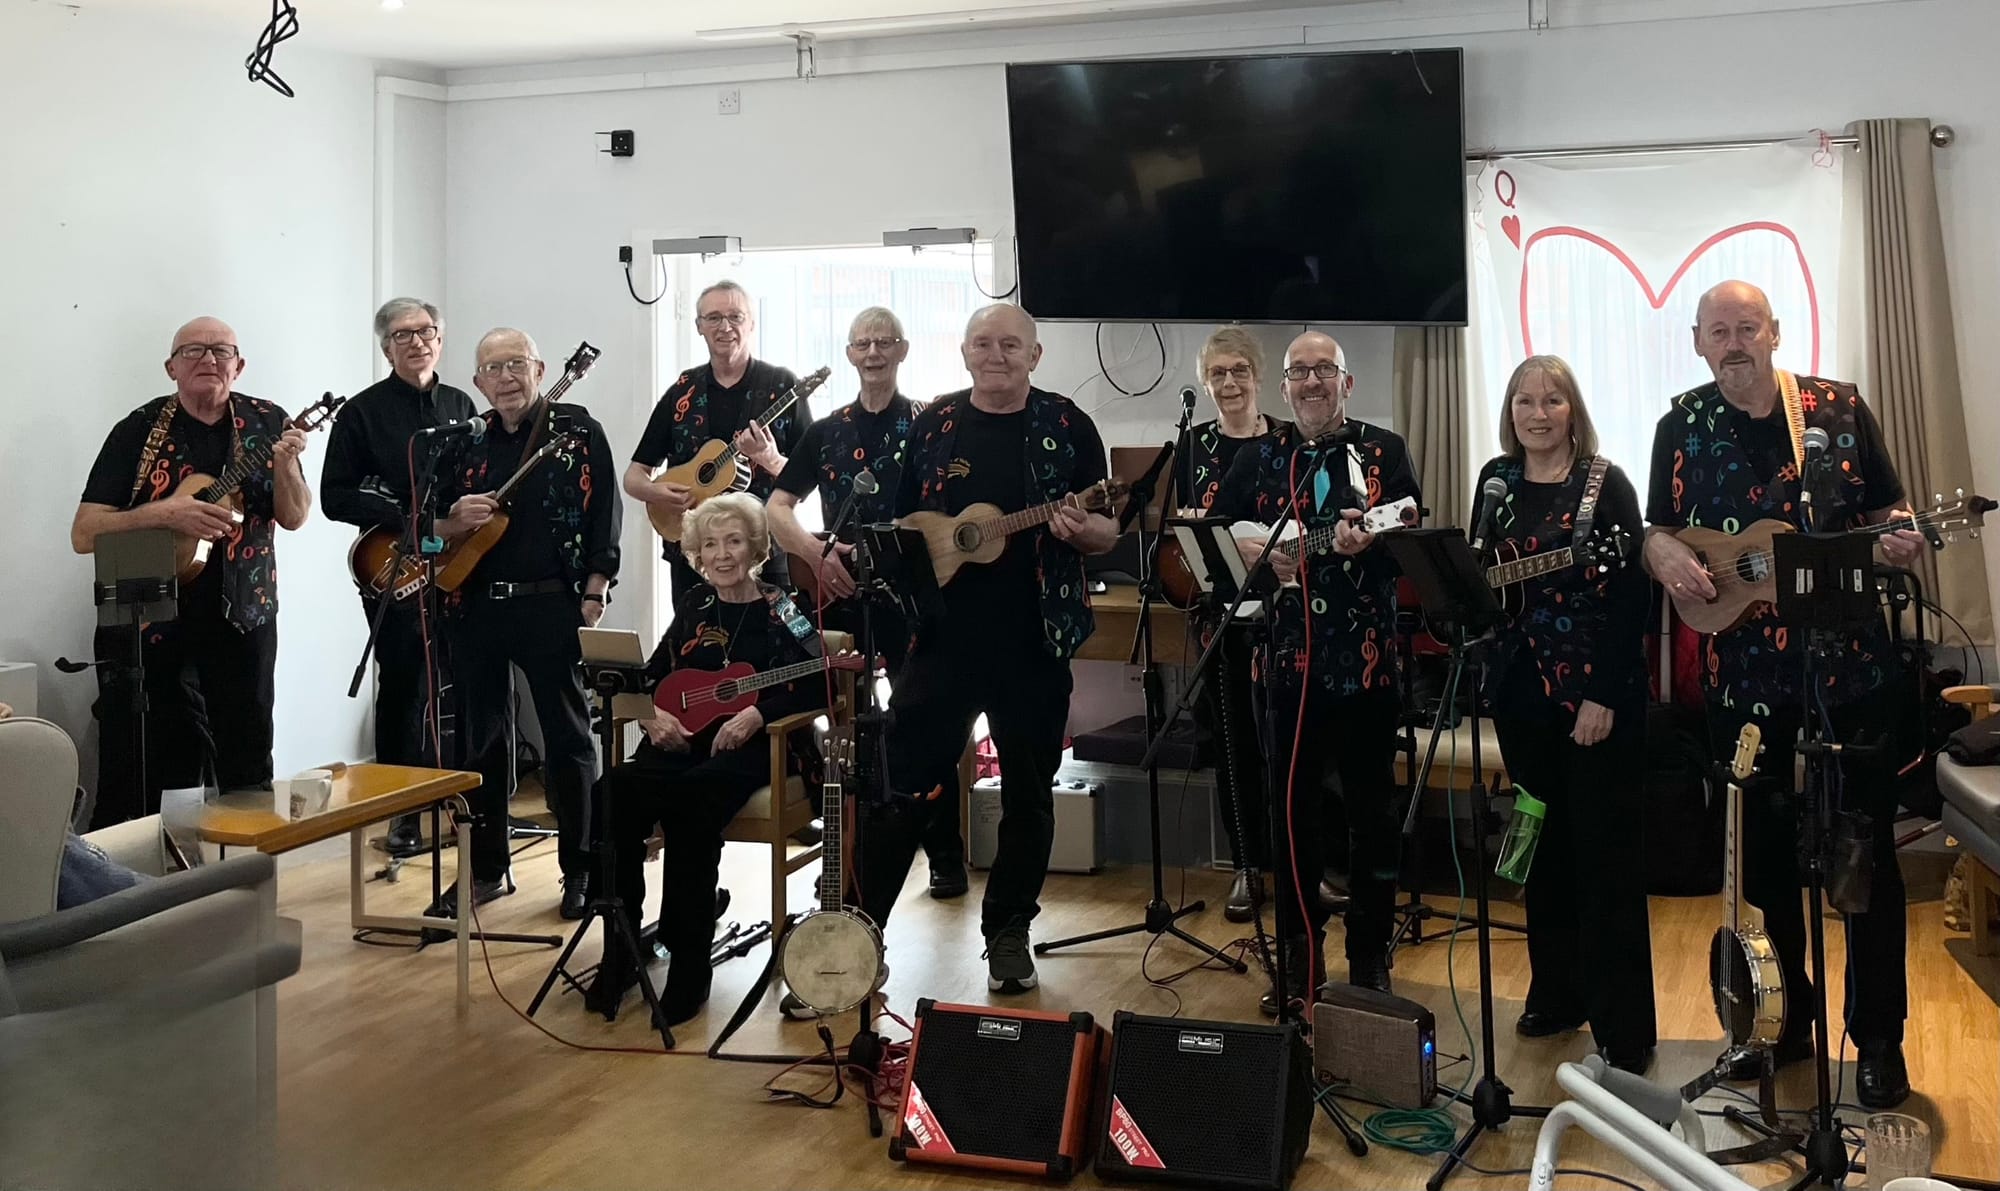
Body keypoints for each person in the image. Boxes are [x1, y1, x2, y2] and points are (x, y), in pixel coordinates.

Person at [1643, 280, 1924, 1108]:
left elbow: (1891, 504)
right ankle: (1787, 1020)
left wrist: (1903, 532)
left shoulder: (1836, 409)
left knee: (1864, 861)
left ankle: (1877, 1040)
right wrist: (1661, 555)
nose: (1735, 342)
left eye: (1748, 327)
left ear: (1776, 332)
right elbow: (1657, 526)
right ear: (1699, 342)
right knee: (1764, 867)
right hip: (1745, 691)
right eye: (1718, 330)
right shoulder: (1678, 425)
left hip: (1850, 680)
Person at [860, 304, 1118, 995]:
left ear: (1033, 356)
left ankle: (1007, 931)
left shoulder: (1067, 425)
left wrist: (1080, 530)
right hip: (941, 640)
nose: (996, 354)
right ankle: (859, 936)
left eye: (1011, 344)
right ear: (964, 351)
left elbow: (1107, 531)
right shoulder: (933, 424)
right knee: (900, 787)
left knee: (1030, 797)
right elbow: (905, 524)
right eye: (983, 342)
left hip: (1034, 642)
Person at [1211, 331, 1420, 1014]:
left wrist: (1373, 539)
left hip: (1368, 667)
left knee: (1372, 816)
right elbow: (1219, 536)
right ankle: (1300, 962)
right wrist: (1255, 550)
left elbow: (1413, 541)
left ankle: (1368, 960)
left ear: (1346, 383)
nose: (1311, 382)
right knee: (1289, 819)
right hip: (1286, 670)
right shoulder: (1259, 456)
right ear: (1286, 387)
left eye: (1324, 370)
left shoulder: (1385, 451)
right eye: (1299, 371)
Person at [585, 494, 830, 1026]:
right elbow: (649, 674)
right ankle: (622, 948)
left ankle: (689, 966)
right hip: (683, 740)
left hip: (759, 748)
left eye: (734, 541)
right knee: (611, 794)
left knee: (692, 802)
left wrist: (757, 715)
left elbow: (824, 680)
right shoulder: (695, 604)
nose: (722, 554)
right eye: (710, 544)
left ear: (755, 547)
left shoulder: (782, 605)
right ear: (696, 553)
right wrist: (651, 717)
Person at [1477, 355, 1656, 1074]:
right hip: (1520, 696)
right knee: (1540, 849)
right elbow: (1483, 581)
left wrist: (1603, 695)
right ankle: (1557, 992)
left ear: (1572, 410)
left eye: (1552, 400)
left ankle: (1624, 1028)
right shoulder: (1496, 481)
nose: (1538, 412)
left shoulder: (1604, 485)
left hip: (1593, 698)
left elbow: (1632, 599)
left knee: (1604, 861)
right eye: (1525, 400)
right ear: (1510, 411)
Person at [72, 317, 311, 827]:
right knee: (152, 761)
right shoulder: (139, 429)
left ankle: (244, 882)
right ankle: (145, 883)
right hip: (148, 619)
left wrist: (287, 465)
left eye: (222, 351)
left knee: (246, 759)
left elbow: (293, 517)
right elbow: (84, 532)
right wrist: (165, 512)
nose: (209, 360)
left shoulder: (268, 422)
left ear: (239, 365)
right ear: (172, 367)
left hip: (243, 614)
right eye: (195, 351)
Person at [766, 306, 967, 900]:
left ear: (903, 350)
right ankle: (844, 851)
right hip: (841, 590)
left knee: (921, 722)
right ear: (850, 354)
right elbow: (778, 506)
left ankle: (944, 855)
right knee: (827, 711)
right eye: (863, 344)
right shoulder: (824, 430)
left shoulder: (934, 424)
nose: (874, 352)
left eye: (885, 342)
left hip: (913, 594)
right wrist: (815, 553)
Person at [428, 328, 620, 919]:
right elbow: (428, 529)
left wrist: (595, 589)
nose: (505, 376)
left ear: (538, 368)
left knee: (567, 738)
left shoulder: (578, 431)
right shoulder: (466, 443)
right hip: (478, 606)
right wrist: (450, 519)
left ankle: (581, 871)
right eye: (492, 367)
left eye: (515, 363)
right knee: (478, 740)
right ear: (478, 381)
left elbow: (604, 514)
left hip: (552, 605)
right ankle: (486, 870)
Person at [320, 297, 479, 856]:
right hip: (394, 566)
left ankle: (471, 808)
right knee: (405, 684)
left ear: (441, 338)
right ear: (386, 347)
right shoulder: (361, 413)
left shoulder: (463, 404)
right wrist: (413, 519)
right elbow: (335, 496)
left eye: (427, 330)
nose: (418, 341)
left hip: (460, 564)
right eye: (404, 334)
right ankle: (400, 814)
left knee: (469, 677)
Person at [1181, 325, 1287, 924]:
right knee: (1233, 747)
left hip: (1284, 620)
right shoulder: (1191, 448)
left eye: (1238, 371)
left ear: (1258, 376)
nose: (1228, 382)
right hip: (1221, 621)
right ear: (1205, 381)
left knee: (1292, 745)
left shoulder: (1285, 441)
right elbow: (1181, 538)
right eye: (1218, 373)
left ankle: (1301, 863)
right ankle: (1247, 866)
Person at [623, 280, 814, 600]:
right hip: (693, 554)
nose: (725, 326)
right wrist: (656, 491)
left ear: (751, 323)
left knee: (783, 636)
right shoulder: (682, 390)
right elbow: (633, 477)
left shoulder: (782, 385)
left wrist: (769, 458)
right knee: (696, 643)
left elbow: (809, 478)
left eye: (735, 317)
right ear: (699, 327)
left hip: (765, 551)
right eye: (713, 318)